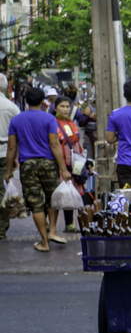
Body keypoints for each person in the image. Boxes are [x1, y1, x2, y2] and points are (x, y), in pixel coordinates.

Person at [3, 86, 71, 252]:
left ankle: (44, 241)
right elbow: (54, 144)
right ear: (43, 102)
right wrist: (63, 168)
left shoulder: (17, 120)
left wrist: (8, 170)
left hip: (28, 165)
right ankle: (53, 231)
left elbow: (12, 148)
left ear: (26, 101)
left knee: (36, 204)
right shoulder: (49, 119)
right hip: (48, 163)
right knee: (52, 198)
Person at [53, 96, 85, 234]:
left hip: (76, 164)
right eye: (62, 106)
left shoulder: (72, 123)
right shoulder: (53, 123)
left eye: (67, 106)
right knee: (65, 194)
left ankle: (82, 224)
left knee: (78, 192)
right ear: (56, 108)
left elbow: (78, 143)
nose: (65, 109)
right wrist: (62, 166)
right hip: (62, 164)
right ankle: (68, 224)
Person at [0, 72, 20, 241]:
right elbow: (17, 136)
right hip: (5, 153)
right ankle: (1, 228)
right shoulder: (11, 107)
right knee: (2, 191)